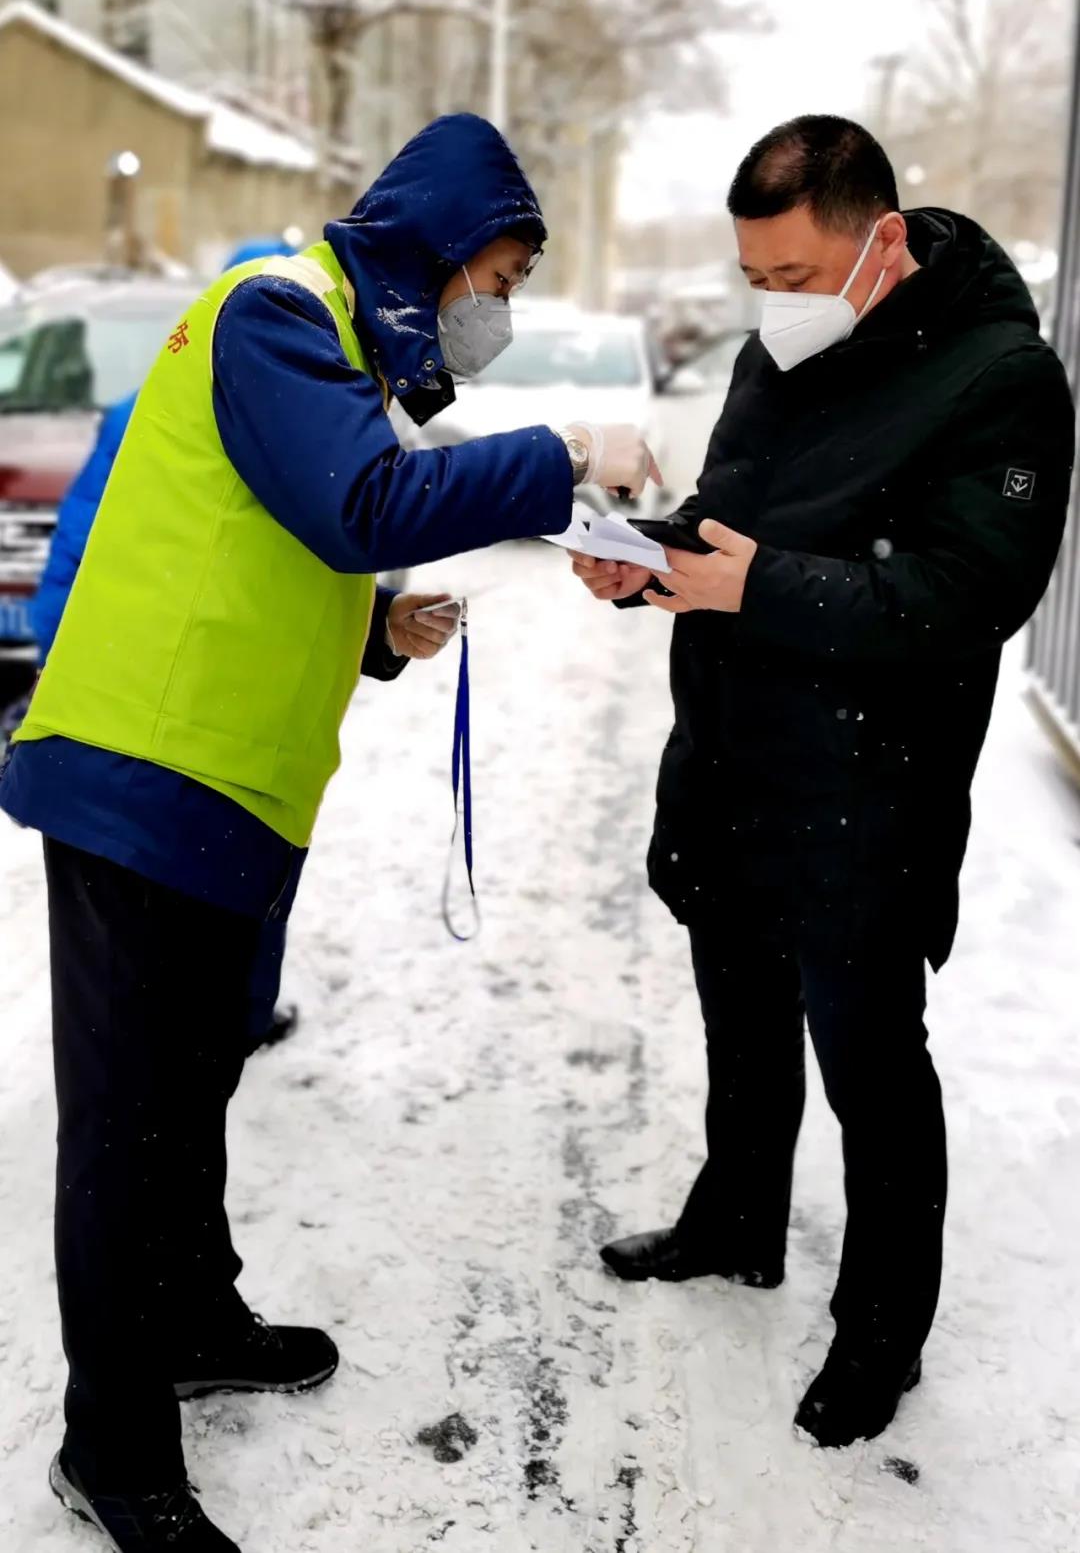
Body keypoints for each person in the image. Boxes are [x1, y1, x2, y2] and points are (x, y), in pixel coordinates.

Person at [0, 112, 658, 1552]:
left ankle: (186, 1317)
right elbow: (358, 502)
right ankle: (110, 1447)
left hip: (228, 787)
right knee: (123, 1122)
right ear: (434, 249)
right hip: (138, 773)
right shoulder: (275, 312)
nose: (502, 306)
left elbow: (267, 537)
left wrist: (373, 625)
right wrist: (559, 448)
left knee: (190, 1083)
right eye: (500, 273)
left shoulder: (336, 355)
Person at [571, 115, 1074, 1449]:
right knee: (739, 1021)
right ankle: (736, 1218)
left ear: (883, 242)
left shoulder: (1000, 377)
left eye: (793, 277)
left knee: (872, 1068)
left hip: (868, 789)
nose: (771, 306)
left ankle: (881, 1330)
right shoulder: (769, 355)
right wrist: (648, 555)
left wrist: (757, 583)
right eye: (754, 278)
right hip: (732, 761)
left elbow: (968, 593)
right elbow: (739, 525)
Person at [29, 239, 307, 1058]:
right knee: (229, 868)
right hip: (184, 683)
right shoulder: (224, 410)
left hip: (134, 659)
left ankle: (219, 1019)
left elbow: (83, 531)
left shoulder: (158, 398)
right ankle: (238, 1017)